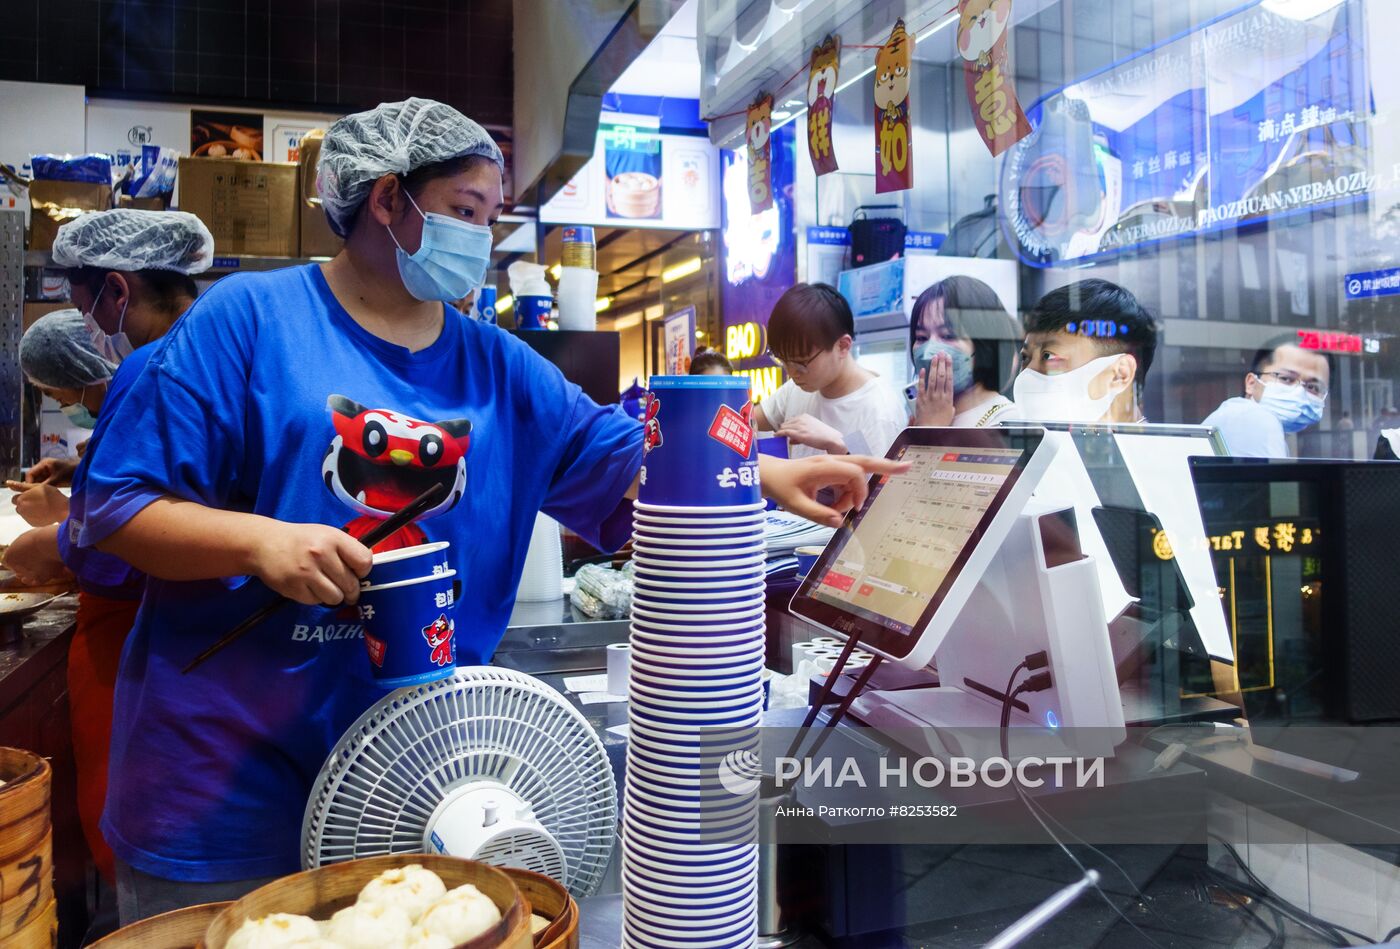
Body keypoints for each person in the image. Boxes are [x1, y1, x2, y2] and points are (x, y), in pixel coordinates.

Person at [75, 98, 902, 920]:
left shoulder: (499, 367)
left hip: (408, 781)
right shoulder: (248, 322)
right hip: (226, 783)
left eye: (489, 216)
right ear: (387, 199)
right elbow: (116, 508)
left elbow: (625, 466)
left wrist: (760, 472)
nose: (481, 236)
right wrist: (259, 543)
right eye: (463, 211)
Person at [4, 209, 212, 889]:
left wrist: (58, 541)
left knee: (137, 844)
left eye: (78, 297)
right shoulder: (215, 353)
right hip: (193, 643)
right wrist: (86, 478)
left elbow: (124, 540)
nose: (82, 318)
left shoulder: (153, 367)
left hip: (141, 629)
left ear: (117, 292)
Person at [753, 282, 908, 458]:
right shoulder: (798, 388)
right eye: (783, 361)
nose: (792, 373)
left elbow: (875, 482)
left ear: (842, 346)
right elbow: (750, 421)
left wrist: (837, 443)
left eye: (801, 363)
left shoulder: (879, 411)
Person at [8, 311, 117, 529]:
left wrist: (64, 509)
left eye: (55, 395)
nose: (62, 406)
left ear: (83, 373)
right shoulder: (116, 424)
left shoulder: (144, 420)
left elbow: (143, 519)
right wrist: (75, 470)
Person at [1015, 279, 1159, 423]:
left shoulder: (1161, 446)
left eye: (1048, 356)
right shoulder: (1053, 444)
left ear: (1120, 374)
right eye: (1025, 357)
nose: (1027, 373)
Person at [907, 275, 1020, 427]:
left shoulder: (1006, 421)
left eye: (948, 335)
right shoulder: (921, 414)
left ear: (984, 344)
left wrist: (931, 428)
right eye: (921, 337)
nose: (928, 353)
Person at [1202, 340, 1330, 458]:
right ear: (1251, 383)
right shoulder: (1254, 418)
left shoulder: (1239, 415)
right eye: (1286, 378)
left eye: (1313, 387)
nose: (1300, 393)